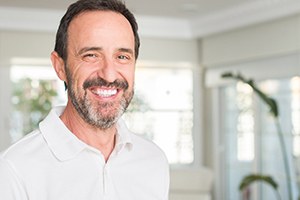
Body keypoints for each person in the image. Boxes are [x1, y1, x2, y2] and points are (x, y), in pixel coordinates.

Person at [0, 0, 170, 199]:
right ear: (60, 67)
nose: (109, 75)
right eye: (91, 55)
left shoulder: (154, 160)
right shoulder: (14, 169)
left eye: (122, 57)